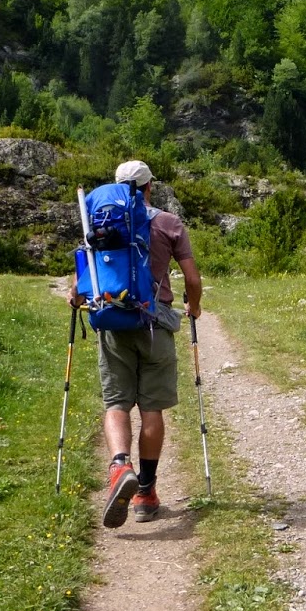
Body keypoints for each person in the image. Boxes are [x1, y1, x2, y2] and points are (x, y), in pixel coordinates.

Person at [69, 159, 201, 528]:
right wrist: (195, 305)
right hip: (154, 321)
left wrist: (76, 297)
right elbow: (191, 276)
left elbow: (88, 275)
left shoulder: (99, 220)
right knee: (152, 408)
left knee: (116, 403)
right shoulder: (167, 223)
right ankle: (145, 491)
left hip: (112, 319)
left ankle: (118, 466)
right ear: (148, 187)